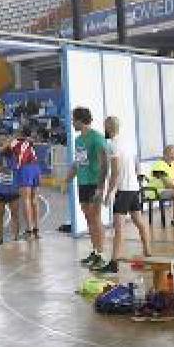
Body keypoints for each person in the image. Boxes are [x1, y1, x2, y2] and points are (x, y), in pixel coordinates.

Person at [94, 117, 151, 272]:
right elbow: (136, 164)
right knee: (139, 221)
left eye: (105, 127)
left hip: (124, 190)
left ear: (108, 128)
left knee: (118, 227)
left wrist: (108, 193)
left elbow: (115, 171)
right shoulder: (128, 143)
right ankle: (148, 252)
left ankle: (113, 264)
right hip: (133, 188)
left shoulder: (112, 145)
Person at [68, 107, 109, 268]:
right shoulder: (78, 140)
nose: (72, 122)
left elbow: (104, 164)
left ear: (80, 120)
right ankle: (95, 251)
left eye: (73, 120)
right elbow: (78, 163)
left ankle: (101, 254)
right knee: (88, 218)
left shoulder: (97, 138)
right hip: (82, 183)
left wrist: (100, 187)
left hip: (94, 183)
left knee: (95, 218)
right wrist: (67, 179)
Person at [12, 126, 41, 239]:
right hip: (36, 168)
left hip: (25, 169)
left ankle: (29, 230)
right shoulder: (30, 144)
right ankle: (36, 229)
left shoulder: (16, 142)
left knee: (26, 200)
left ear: (20, 133)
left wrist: (12, 138)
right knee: (34, 199)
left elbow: (1, 149)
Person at [0, 138, 21, 245]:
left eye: (5, 143)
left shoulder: (15, 155)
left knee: (15, 214)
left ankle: (16, 237)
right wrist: (1, 168)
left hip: (13, 190)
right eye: (0, 143)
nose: (3, 145)